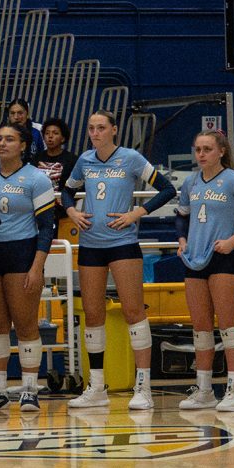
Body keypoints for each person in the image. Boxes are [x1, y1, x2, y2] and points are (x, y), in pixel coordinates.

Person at [62, 110, 176, 411]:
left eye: (101, 128)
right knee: (93, 313)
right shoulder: (84, 160)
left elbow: (167, 189)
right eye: (91, 128)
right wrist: (72, 211)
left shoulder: (131, 158)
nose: (95, 133)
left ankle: (143, 386)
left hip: (123, 244)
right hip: (90, 245)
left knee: (133, 310)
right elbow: (65, 192)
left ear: (114, 130)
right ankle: (97, 386)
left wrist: (137, 212)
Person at [0, 124, 57, 413]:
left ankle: (30, 390)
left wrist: (37, 267)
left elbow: (47, 228)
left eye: (9, 139)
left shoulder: (37, 179)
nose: (2, 144)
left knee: (25, 325)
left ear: (23, 145)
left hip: (22, 254)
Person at [176, 130, 234, 411]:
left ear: (221, 152)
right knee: (200, 328)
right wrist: (182, 241)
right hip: (194, 259)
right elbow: (181, 217)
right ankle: (204, 390)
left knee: (228, 326)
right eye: (198, 149)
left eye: (207, 149)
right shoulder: (191, 182)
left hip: (225, 259)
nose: (201, 154)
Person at [31, 117, 79, 230]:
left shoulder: (72, 160)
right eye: (47, 133)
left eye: (55, 133)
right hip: (38, 210)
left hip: (61, 213)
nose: (50, 136)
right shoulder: (36, 159)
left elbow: (77, 186)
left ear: (63, 138)